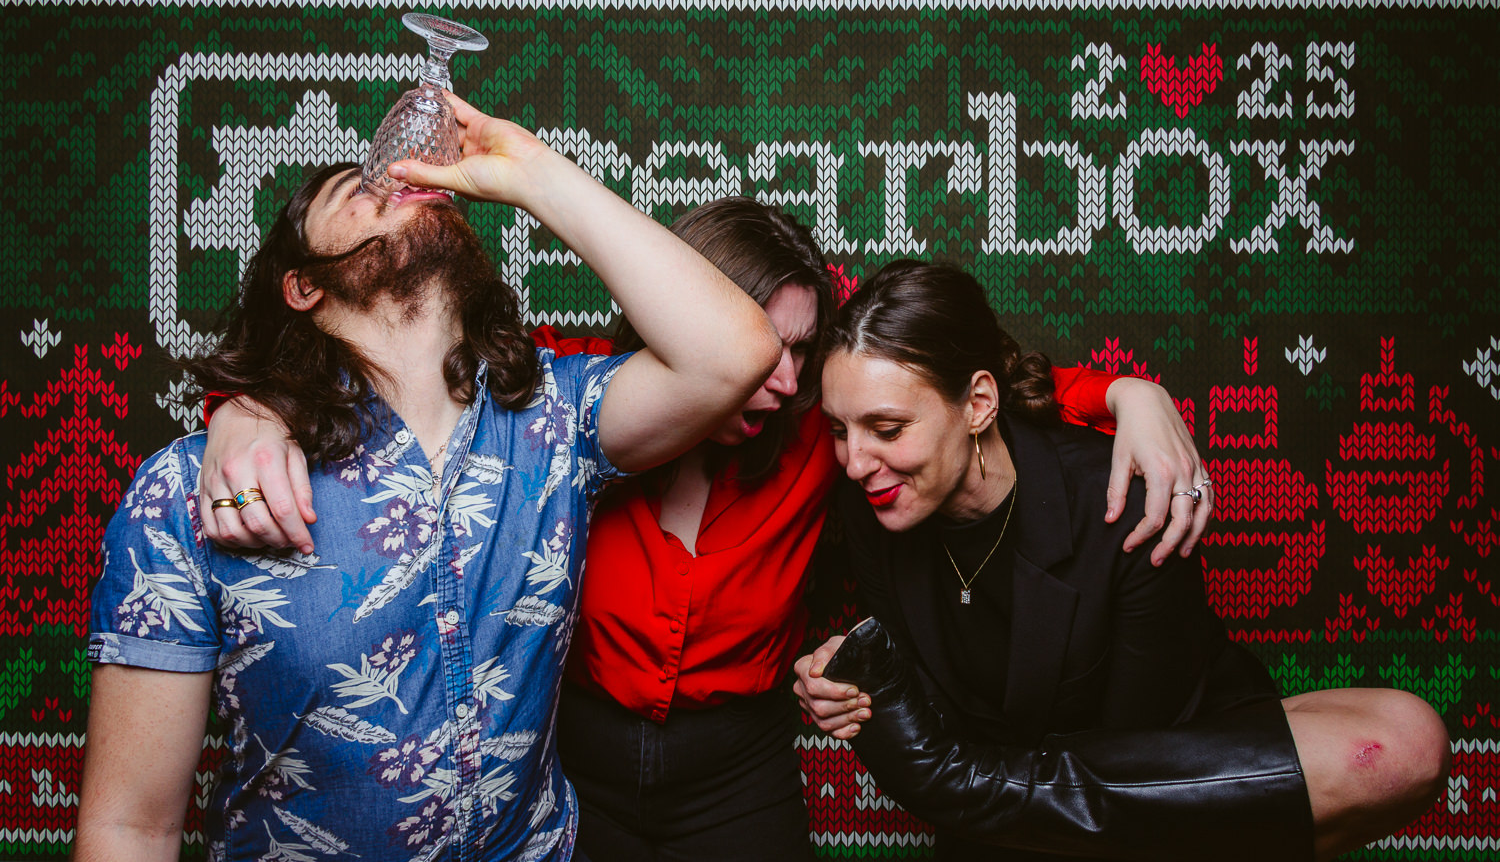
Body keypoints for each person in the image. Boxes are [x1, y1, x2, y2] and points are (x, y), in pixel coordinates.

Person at [196, 212, 1216, 862]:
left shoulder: (827, 436)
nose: (781, 380)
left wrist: (1125, 393)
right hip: (579, 763)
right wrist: (246, 412)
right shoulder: (567, 406)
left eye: (801, 351)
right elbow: (404, 389)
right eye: (761, 347)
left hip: (737, 770)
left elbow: (952, 390)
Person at [74, 97, 790, 861]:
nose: (398, 178)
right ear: (303, 286)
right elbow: (131, 826)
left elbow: (736, 352)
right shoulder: (188, 492)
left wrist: (533, 172)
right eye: (359, 188)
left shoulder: (555, 422)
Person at [794, 259, 1451, 862]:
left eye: (887, 429)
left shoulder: (1125, 504)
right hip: (1022, 809)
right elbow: (932, 711)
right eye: (839, 430)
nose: (855, 462)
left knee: (1406, 740)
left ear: (979, 404)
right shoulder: (872, 509)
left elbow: (1139, 755)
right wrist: (859, 688)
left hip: (1167, 778)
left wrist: (959, 781)